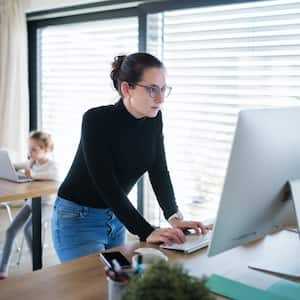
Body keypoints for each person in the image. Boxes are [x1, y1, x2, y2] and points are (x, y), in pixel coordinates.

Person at [52, 52, 210, 263]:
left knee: (119, 288)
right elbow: (105, 183)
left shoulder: (154, 118)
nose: (161, 98)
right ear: (127, 88)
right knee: (90, 291)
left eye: (163, 89)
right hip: (78, 218)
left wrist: (174, 217)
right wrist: (145, 231)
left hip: (117, 217)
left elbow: (158, 170)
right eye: (153, 89)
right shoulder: (96, 120)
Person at [0, 131, 59, 279]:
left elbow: (54, 176)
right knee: (10, 231)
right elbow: (16, 166)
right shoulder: (31, 162)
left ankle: (37, 267)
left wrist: (33, 175)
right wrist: (9, 166)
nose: (30, 152)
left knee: (29, 229)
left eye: (34, 149)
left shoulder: (53, 166)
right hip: (32, 202)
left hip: (47, 206)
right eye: (29, 148)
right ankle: (3, 269)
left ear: (46, 150)